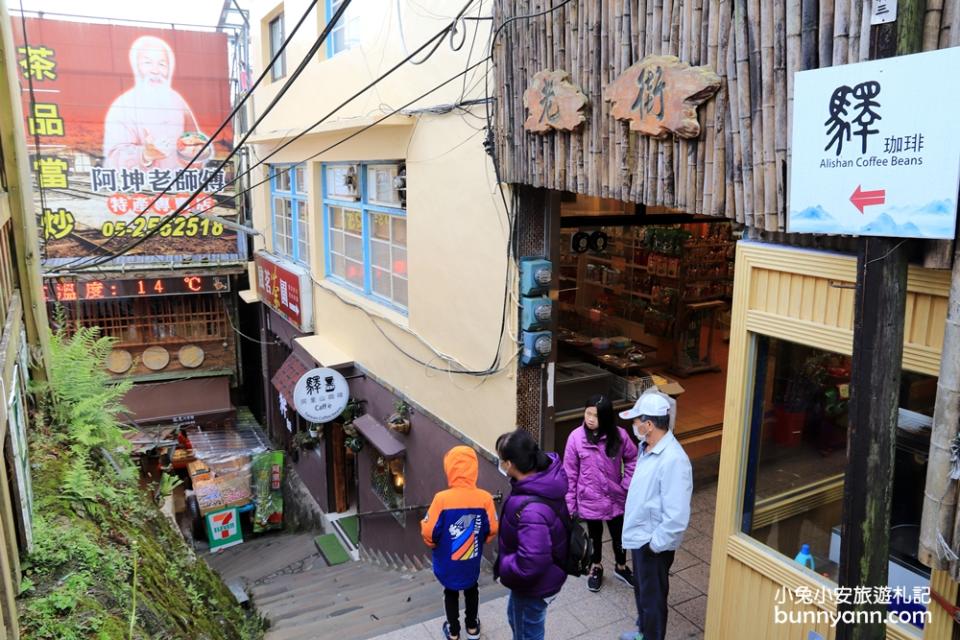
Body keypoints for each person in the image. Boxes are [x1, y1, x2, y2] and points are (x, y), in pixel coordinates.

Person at [618, 391, 693, 640]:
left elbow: (677, 516)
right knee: (643, 593)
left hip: (652, 544)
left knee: (653, 600)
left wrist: (655, 546)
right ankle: (643, 632)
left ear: (648, 425)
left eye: (637, 420)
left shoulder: (674, 460)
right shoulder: (647, 447)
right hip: (641, 537)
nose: (634, 425)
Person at [495, 429, 569, 640]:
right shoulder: (544, 479)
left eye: (501, 460)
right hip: (544, 578)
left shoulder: (531, 511)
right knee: (516, 617)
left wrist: (504, 566)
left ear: (509, 464)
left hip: (535, 586)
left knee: (527, 633)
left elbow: (531, 564)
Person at [421, 446, 499, 640]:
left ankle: (454, 631)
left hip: (447, 560)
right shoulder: (485, 498)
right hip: (471, 558)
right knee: (472, 589)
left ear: (450, 469)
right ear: (474, 469)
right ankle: (472, 628)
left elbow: (429, 530)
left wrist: (432, 544)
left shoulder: (441, 499)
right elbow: (493, 528)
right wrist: (483, 540)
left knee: (450, 591)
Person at [563, 394, 638, 592]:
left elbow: (633, 459)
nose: (590, 419)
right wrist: (570, 505)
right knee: (595, 536)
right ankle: (596, 567)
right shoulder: (575, 438)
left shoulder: (619, 435)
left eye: (595, 415)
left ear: (605, 417)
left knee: (619, 535)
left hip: (615, 497)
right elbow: (569, 474)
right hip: (590, 499)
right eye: (587, 413)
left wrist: (626, 484)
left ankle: (621, 567)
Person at [103, 35, 210, 170]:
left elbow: (196, 140)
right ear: (136, 67)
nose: (155, 70)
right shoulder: (123, 105)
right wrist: (145, 154)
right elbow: (114, 155)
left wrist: (197, 153)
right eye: (147, 63)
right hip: (142, 187)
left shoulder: (177, 100)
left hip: (179, 184)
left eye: (162, 64)